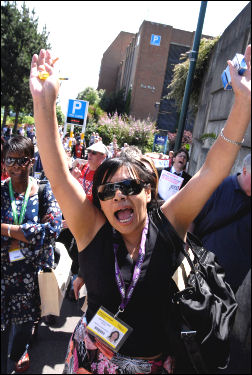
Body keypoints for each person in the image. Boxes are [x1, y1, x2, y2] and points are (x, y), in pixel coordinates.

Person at [29, 46, 251, 374]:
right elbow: (59, 175)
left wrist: (244, 101)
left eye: (129, 187)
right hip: (90, 362)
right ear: (99, 201)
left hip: (151, 365)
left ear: (148, 191)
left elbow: (211, 171)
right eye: (107, 191)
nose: (118, 196)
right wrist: (44, 103)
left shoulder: (169, 223)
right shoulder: (91, 229)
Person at [1, 135, 62, 374]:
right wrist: (30, 232)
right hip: (3, 275)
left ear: (32, 161)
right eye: (10, 160)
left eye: (22, 160)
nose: (16, 165)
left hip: (31, 279)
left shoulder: (45, 191)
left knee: (24, 328)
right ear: (4, 162)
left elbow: (53, 230)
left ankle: (17, 357)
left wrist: (5, 229)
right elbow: (39, 233)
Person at [192, 153, 251, 293]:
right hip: (201, 274)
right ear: (245, 171)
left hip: (231, 284)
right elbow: (191, 219)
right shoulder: (219, 186)